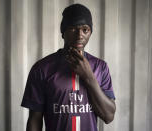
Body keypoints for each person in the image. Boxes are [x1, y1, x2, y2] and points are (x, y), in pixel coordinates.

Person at [21, 3, 116, 131]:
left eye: (85, 29)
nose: (79, 35)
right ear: (63, 31)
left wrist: (89, 77)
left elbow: (108, 116)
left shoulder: (100, 67)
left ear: (90, 32)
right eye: (72, 28)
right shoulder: (42, 68)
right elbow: (35, 119)